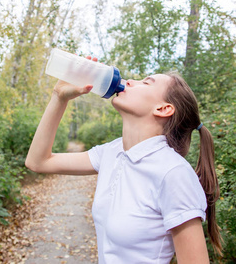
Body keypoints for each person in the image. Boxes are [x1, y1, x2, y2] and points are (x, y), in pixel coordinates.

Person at [25, 57, 222, 263]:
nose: (128, 81)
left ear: (163, 109)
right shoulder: (111, 152)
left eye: (145, 82)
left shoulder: (174, 173)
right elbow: (38, 162)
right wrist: (59, 97)